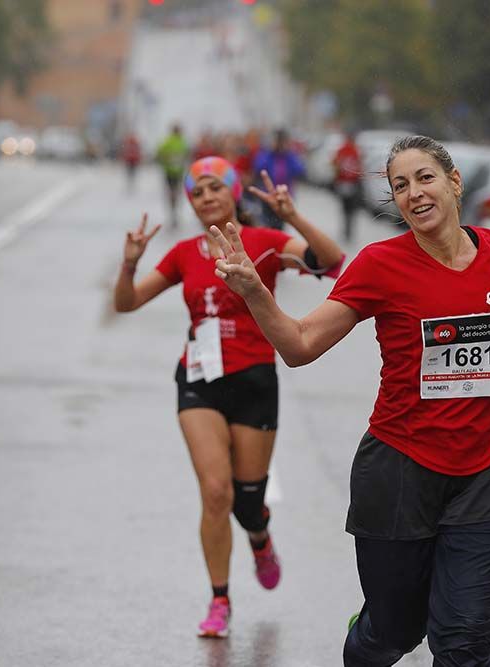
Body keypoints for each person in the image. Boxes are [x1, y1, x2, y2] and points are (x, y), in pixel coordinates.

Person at [207, 136, 490, 664]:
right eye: (400, 186)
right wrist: (256, 291)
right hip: (399, 472)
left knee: (462, 639)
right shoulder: (379, 264)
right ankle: (371, 631)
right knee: (394, 634)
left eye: (424, 178)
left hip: (486, 478)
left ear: (454, 182)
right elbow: (301, 346)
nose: (414, 193)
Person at [114, 156, 344, 638]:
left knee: (245, 500)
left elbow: (331, 260)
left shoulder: (264, 243)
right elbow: (127, 302)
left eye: (216, 187)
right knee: (215, 491)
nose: (206, 197)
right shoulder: (182, 253)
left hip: (255, 379)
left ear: (234, 192)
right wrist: (130, 262)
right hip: (199, 380)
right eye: (197, 192)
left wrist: (292, 214)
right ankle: (219, 599)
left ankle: (259, 536)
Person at [253, 128, 306, 230]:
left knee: (280, 225)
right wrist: (270, 151)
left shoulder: (289, 156)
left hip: (284, 195)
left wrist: (288, 152)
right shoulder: (267, 154)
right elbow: (258, 167)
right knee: (267, 223)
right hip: (267, 194)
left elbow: (299, 170)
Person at [155, 123, 190, 228]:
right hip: (174, 171)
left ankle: (173, 210)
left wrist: (165, 161)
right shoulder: (181, 142)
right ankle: (174, 210)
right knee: (175, 192)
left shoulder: (169, 142)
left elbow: (159, 153)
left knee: (173, 192)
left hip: (172, 171)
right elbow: (186, 154)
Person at [332, 132, 363, 240]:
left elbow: (335, 165)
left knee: (345, 208)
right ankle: (348, 230)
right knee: (351, 208)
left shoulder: (342, 150)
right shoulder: (356, 150)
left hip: (344, 182)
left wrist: (336, 179)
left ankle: (347, 230)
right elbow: (360, 166)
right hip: (351, 182)